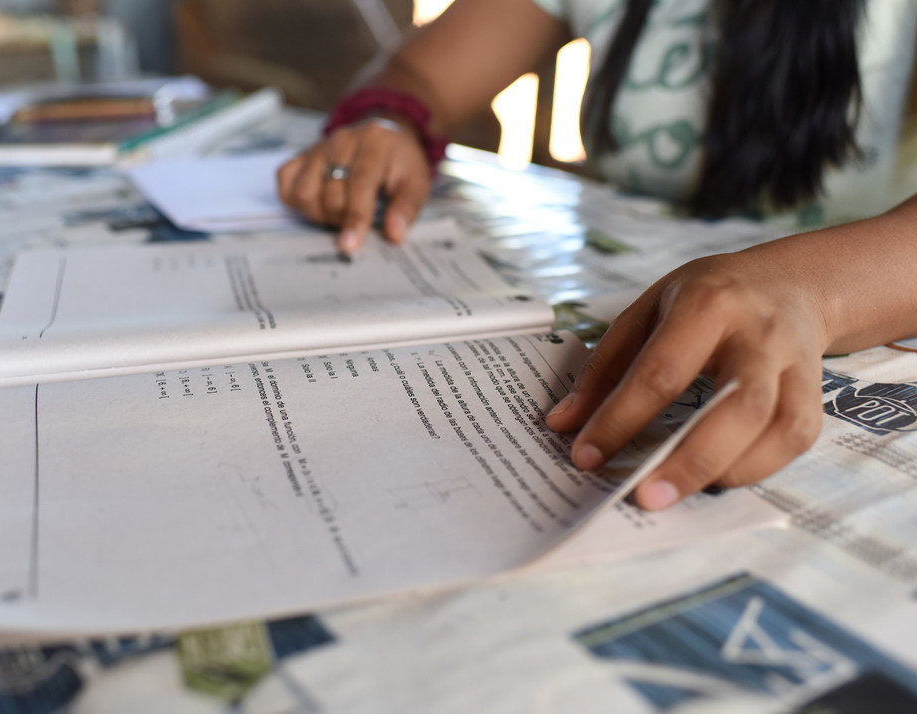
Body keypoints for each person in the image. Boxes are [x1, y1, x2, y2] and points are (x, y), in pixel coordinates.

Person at [276, 0, 917, 510]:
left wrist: (808, 291)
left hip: (866, 296)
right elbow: (418, 75)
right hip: (611, 276)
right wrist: (388, 122)